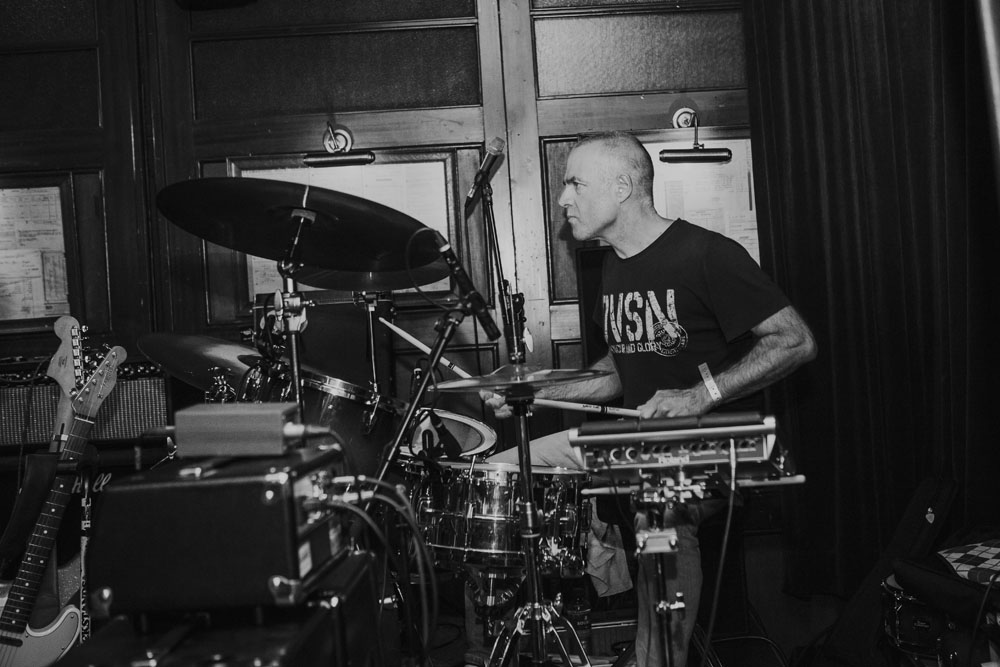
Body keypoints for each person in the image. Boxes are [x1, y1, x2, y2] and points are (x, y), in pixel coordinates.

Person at [483, 130, 817, 666]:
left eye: (575, 184)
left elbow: (795, 340)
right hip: (638, 441)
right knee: (499, 473)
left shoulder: (707, 254)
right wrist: (533, 392)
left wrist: (699, 395)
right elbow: (615, 373)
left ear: (621, 187)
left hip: (712, 446)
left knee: (658, 514)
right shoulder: (614, 265)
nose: (563, 199)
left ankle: (659, 660)